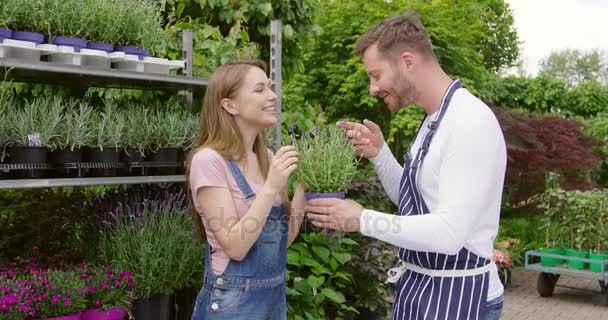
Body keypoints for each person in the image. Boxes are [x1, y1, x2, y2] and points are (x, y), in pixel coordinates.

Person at [305, 10, 506, 320]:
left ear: (407, 61)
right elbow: (417, 204)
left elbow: (449, 233)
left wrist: (363, 219)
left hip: (460, 297)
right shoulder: (434, 119)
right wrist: (380, 153)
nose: (372, 88)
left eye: (375, 75)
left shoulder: (470, 122)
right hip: (422, 289)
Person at [187, 59, 306, 320]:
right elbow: (235, 247)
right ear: (229, 105)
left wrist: (303, 186)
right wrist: (271, 186)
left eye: (271, 88)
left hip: (273, 301)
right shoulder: (209, 161)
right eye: (260, 89)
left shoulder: (267, 159)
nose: (273, 95)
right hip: (233, 304)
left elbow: (282, 240)